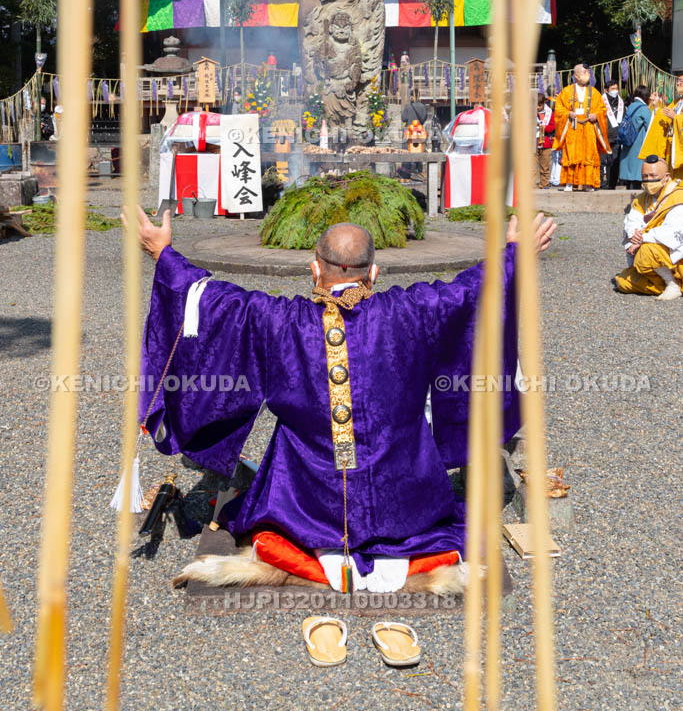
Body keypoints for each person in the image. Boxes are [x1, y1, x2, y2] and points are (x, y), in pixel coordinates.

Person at [127, 207, 555, 604]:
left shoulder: (276, 321)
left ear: (314, 269)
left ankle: (314, 552)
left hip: (306, 502)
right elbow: (472, 291)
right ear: (374, 272)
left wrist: (163, 253)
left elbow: (212, 300)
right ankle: (402, 550)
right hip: (404, 500)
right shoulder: (413, 313)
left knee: (269, 513)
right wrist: (514, 253)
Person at [615, 155, 683, 300]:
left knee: (646, 250)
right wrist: (634, 235)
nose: (648, 180)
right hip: (650, 252)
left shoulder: (678, 197)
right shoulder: (642, 198)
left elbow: (673, 231)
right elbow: (632, 220)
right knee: (622, 282)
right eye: (644, 176)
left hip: (675, 259)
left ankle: (673, 283)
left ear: (666, 177)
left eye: (653, 176)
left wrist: (642, 238)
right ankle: (663, 285)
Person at [553, 63, 610, 191]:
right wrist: (568, 113)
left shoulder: (594, 92)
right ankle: (569, 183)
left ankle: (588, 183)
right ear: (576, 75)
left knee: (589, 155)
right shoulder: (566, 91)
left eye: (588, 73)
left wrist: (596, 115)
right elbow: (558, 109)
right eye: (585, 72)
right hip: (573, 129)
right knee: (571, 155)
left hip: (589, 128)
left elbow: (602, 110)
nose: (587, 75)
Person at [638, 71, 683, 181]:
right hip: (672, 146)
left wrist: (676, 117)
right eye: (678, 81)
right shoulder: (677, 102)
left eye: (682, 81)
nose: (678, 83)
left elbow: (673, 116)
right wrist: (657, 106)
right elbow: (665, 118)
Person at [618, 85, 652, 189]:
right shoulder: (644, 109)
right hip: (638, 145)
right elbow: (650, 127)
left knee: (629, 175)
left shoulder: (630, 106)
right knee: (637, 176)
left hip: (627, 143)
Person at [600, 82, 624, 189]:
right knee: (601, 162)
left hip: (616, 136)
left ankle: (612, 184)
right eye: (612, 88)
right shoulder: (601, 101)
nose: (615, 90)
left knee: (614, 162)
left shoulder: (621, 102)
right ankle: (600, 183)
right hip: (603, 136)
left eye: (616, 88)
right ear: (606, 90)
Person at [535, 94, 555, 188]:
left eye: (539, 105)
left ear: (544, 103)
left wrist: (544, 127)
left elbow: (552, 127)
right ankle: (531, 184)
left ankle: (544, 183)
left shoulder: (549, 112)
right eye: (536, 105)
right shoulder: (530, 112)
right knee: (532, 166)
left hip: (545, 142)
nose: (537, 107)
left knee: (545, 165)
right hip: (533, 142)